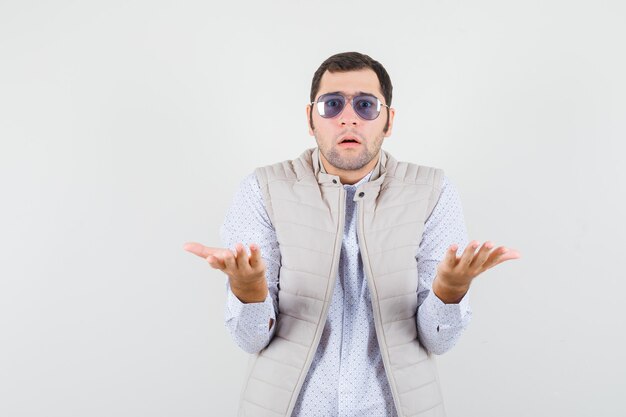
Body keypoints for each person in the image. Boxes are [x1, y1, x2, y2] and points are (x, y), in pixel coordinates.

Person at [184, 52, 520, 417]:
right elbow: (250, 339)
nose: (348, 118)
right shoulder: (262, 189)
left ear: (388, 121)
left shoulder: (432, 191)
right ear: (310, 120)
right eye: (331, 105)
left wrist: (450, 292)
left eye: (365, 105)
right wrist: (248, 292)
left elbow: (439, 340)